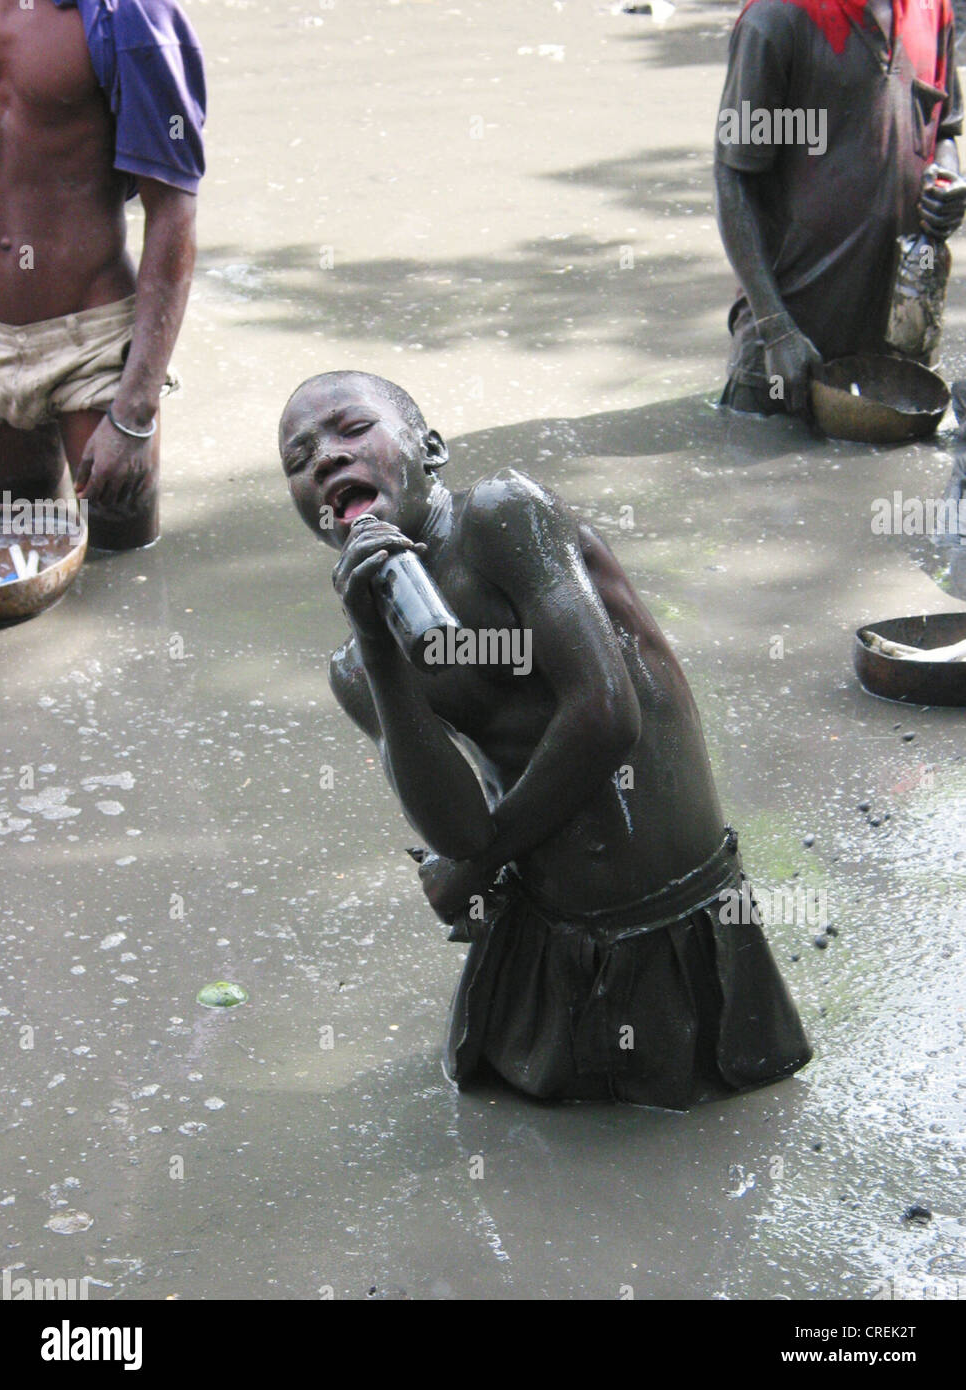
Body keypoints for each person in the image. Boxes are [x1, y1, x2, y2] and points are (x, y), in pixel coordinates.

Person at [280, 371, 812, 1108]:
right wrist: (376, 647)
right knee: (532, 1144)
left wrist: (475, 864)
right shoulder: (355, 668)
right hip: (542, 932)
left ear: (429, 447)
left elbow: (604, 714)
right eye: (299, 457)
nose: (325, 458)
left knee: (710, 1118)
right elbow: (456, 828)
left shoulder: (503, 517)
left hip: (677, 908)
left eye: (349, 428)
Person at [0, 0, 206, 551]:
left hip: (91, 345)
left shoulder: (128, 15)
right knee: (14, 566)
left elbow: (173, 210)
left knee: (125, 574)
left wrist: (135, 412)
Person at [715, 0, 966, 416]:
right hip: (791, 353)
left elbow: (945, 129)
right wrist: (776, 330)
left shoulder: (932, 8)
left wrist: (950, 180)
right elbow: (732, 180)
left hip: (903, 354)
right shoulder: (777, 20)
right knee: (761, 461)